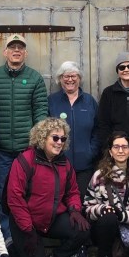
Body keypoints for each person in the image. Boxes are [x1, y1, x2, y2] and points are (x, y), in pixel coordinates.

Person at [6, 117, 91, 257]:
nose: (59, 142)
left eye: (63, 139)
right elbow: (15, 198)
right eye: (55, 138)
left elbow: (72, 192)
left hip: (52, 219)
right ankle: (12, 248)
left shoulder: (65, 163)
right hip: (25, 223)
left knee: (82, 230)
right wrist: (28, 230)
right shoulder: (25, 160)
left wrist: (75, 210)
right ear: (42, 137)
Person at [0, 33, 49, 241]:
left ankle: (28, 236)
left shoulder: (34, 78)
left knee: (29, 192)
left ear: (25, 53)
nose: (16, 50)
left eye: (20, 47)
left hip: (27, 150)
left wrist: (38, 142)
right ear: (5, 52)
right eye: (12, 47)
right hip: (2, 149)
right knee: (3, 193)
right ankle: (7, 238)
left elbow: (40, 111)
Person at [47, 60, 99, 202]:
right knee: (60, 202)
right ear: (60, 79)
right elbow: (45, 131)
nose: (70, 79)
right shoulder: (52, 101)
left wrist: (91, 152)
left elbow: (98, 130)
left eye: (73, 76)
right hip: (58, 164)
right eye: (66, 76)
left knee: (83, 202)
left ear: (79, 78)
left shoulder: (89, 101)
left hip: (85, 166)